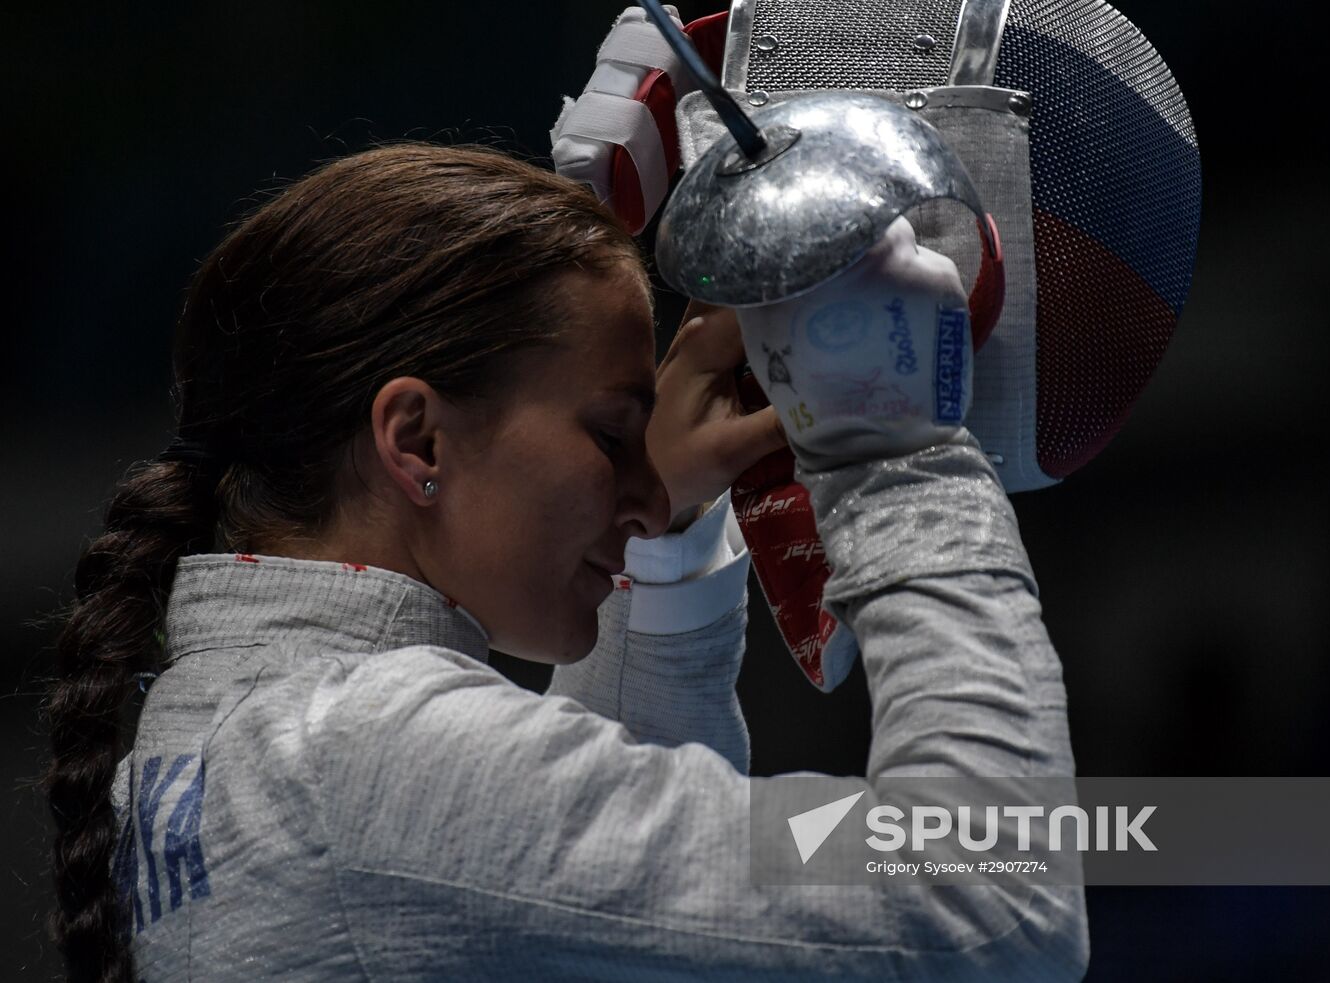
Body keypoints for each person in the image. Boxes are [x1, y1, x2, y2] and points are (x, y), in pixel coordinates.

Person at [45, 142, 1087, 981]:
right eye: (606, 432)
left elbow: (564, 857)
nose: (636, 488)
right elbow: (984, 893)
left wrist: (670, 524)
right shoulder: (361, 752)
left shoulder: (226, 736)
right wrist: (889, 451)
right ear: (416, 441)